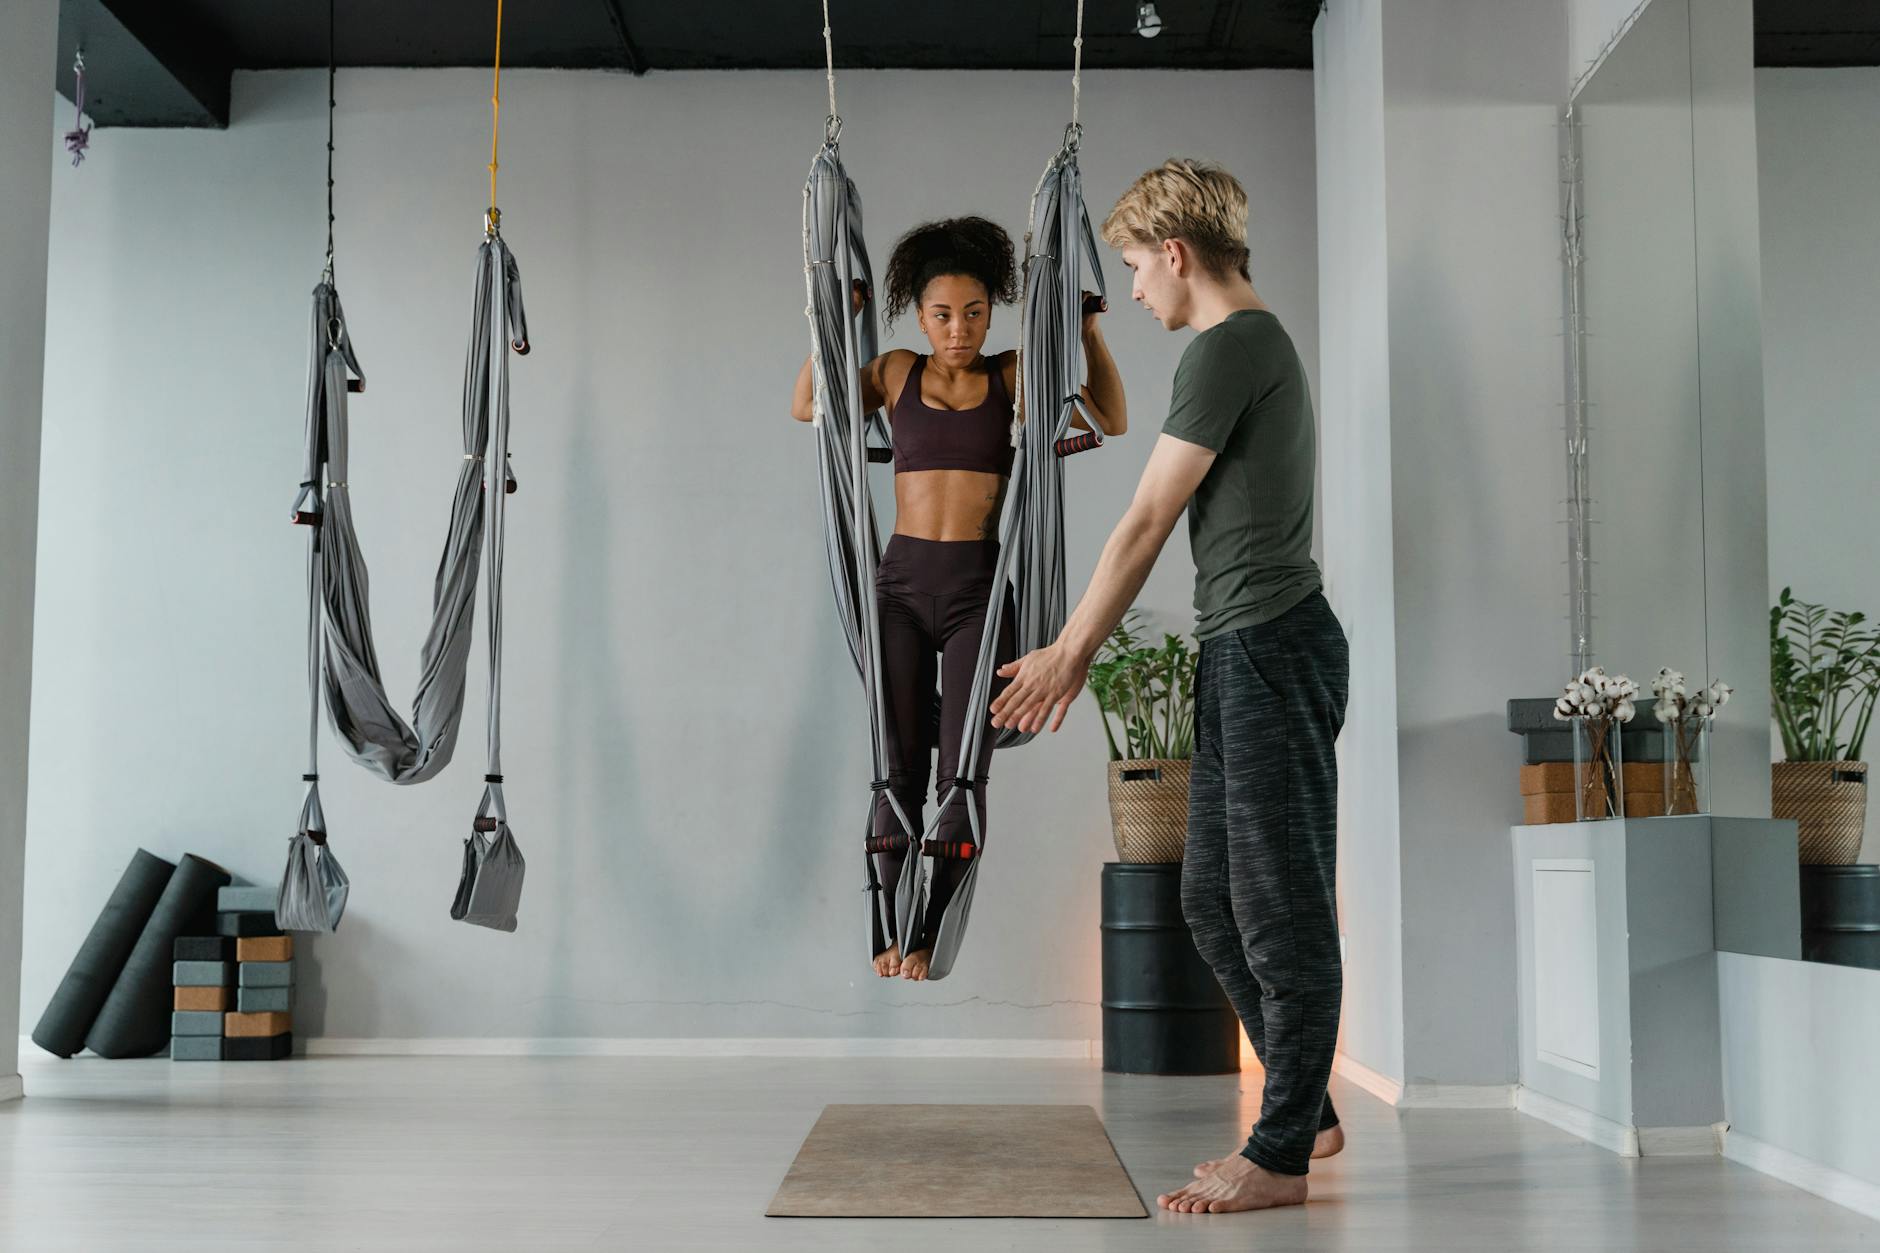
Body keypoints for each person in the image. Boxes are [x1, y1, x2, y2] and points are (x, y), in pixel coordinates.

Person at [989, 159, 1349, 1213]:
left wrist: (1070, 649)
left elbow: (1145, 520)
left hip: (1270, 645)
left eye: (1138, 267)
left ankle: (1280, 1147)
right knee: (1206, 897)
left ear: (1177, 254)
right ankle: (1308, 1106)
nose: (1136, 290)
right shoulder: (1244, 345)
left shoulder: (1228, 346)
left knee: (1278, 907)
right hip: (1243, 642)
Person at [792, 216, 1127, 981]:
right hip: (901, 589)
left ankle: (933, 922)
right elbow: (810, 408)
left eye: (974, 313)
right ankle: (885, 917)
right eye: (943, 315)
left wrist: (1086, 332)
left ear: (991, 312)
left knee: (962, 771)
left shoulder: (1010, 374)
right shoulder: (896, 371)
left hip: (979, 592)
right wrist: (832, 323)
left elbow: (1112, 416)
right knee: (895, 765)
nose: (958, 330)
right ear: (920, 315)